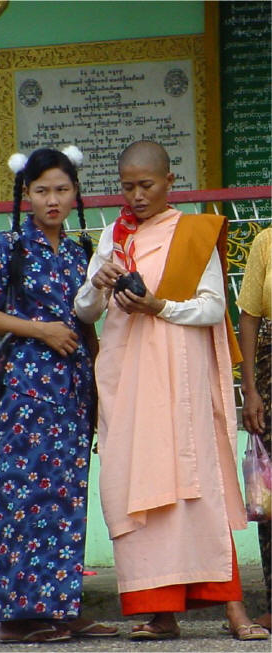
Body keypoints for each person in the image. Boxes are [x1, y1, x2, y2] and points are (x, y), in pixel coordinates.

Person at [74, 140, 270, 642]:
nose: (136, 196)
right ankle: (161, 614)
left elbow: (210, 308)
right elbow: (84, 313)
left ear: (168, 182)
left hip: (182, 388)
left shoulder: (192, 233)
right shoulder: (112, 236)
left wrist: (159, 307)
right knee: (135, 490)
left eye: (146, 185)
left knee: (197, 491)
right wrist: (98, 284)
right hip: (130, 386)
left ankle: (233, 610)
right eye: (127, 186)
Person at [0, 146, 118, 643]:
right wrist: (41, 330)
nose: (52, 199)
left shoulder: (79, 252)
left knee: (66, 499)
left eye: (62, 189)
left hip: (73, 393)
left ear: (75, 195)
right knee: (21, 498)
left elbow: (89, 323)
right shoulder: (6, 247)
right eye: (41, 190)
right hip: (27, 393)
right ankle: (18, 617)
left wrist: (100, 385)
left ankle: (62, 607)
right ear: (25, 195)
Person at [237, 226, 271, 632]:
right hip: (269, 370)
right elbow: (248, 319)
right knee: (270, 490)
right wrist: (250, 387)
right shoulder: (266, 242)